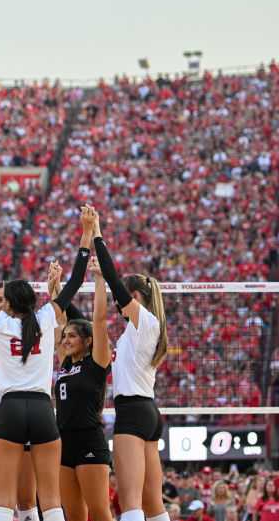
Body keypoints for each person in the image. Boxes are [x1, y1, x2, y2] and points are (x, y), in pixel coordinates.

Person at [0, 200, 94, 521]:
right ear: (34, 301)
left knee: (4, 497)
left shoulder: (1, 323)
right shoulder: (48, 317)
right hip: (40, 407)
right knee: (49, 498)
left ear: (10, 304)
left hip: (8, 408)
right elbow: (75, 282)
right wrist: (86, 236)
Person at [91, 208, 169, 521]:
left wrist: (96, 232)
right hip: (147, 411)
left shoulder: (145, 322)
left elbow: (112, 277)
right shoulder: (140, 330)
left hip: (134, 413)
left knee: (132, 503)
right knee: (154, 505)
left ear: (134, 296)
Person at [53, 255, 112, 521]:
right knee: (74, 515)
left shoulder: (97, 362)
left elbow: (99, 320)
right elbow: (57, 316)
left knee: (100, 513)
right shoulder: (64, 363)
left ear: (88, 341)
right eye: (65, 336)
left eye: (72, 336)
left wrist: (99, 279)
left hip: (89, 438)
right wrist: (54, 289)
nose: (66, 340)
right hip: (63, 441)